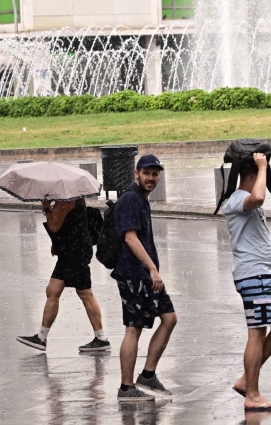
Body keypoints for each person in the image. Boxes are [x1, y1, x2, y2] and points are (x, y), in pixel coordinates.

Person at [223, 153, 271, 412]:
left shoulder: (245, 202)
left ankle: (245, 381)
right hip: (252, 275)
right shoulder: (239, 200)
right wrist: (263, 166)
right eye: (260, 175)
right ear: (252, 176)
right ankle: (252, 393)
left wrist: (261, 168)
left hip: (264, 275)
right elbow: (259, 196)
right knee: (257, 333)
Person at [112, 155, 177, 402]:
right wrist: (152, 269)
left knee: (169, 318)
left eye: (155, 174)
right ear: (136, 173)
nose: (151, 178)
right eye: (147, 173)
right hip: (134, 273)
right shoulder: (130, 199)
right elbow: (130, 238)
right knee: (134, 328)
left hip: (146, 275)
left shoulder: (140, 199)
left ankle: (148, 375)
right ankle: (126, 388)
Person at [16, 197, 110, 353]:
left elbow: (54, 226)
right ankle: (41, 337)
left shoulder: (66, 199)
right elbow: (69, 223)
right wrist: (57, 243)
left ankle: (101, 339)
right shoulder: (69, 197)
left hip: (75, 251)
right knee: (53, 291)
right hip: (71, 249)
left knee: (85, 292)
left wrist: (46, 208)